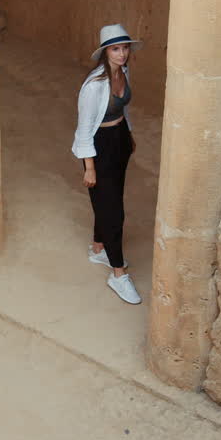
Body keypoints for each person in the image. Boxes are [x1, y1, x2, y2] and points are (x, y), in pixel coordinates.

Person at [72, 24, 142, 305]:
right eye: (116, 49)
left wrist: (130, 135)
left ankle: (99, 247)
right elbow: (84, 128)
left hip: (120, 139)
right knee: (113, 209)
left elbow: (122, 108)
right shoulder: (94, 85)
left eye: (125, 48)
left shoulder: (123, 72)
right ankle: (118, 274)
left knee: (110, 199)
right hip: (99, 147)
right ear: (105, 53)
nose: (122, 54)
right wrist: (89, 166)